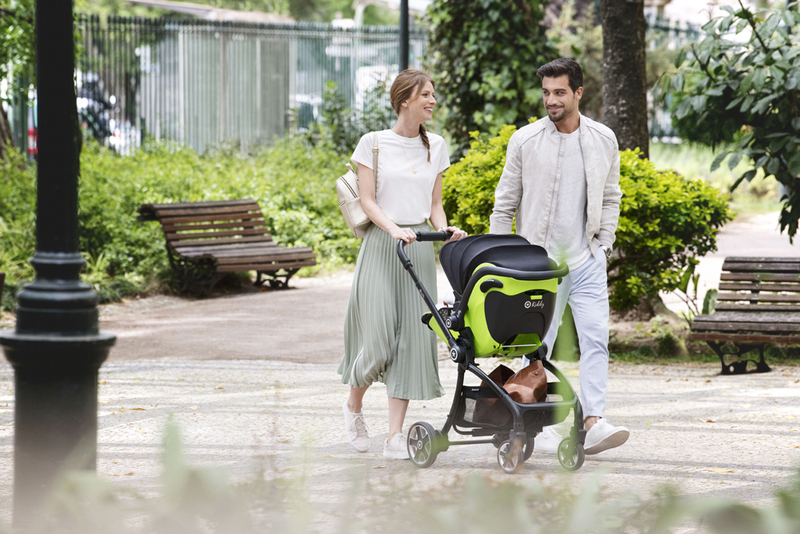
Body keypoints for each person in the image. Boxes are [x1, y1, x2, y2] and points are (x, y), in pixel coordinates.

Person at [489, 58, 628, 455]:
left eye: (559, 92)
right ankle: (532, 423)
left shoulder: (603, 139)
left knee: (596, 340)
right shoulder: (525, 140)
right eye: (546, 92)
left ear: (578, 93)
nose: (551, 100)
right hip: (539, 266)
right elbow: (504, 204)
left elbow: (611, 195)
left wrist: (603, 244)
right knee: (537, 347)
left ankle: (594, 422)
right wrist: (500, 260)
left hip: (586, 261)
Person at [338, 69, 467, 459]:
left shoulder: (436, 145)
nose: (432, 101)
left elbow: (434, 204)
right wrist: (394, 229)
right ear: (404, 99)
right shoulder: (373, 143)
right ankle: (353, 407)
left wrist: (444, 230)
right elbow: (367, 201)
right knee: (377, 341)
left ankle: (394, 436)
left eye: (433, 94)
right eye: (425, 94)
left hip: (419, 249)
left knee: (412, 340)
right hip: (383, 246)